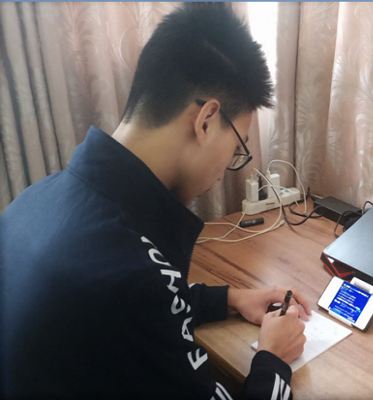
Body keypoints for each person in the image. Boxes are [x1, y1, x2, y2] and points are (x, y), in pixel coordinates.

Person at [0, 4, 309, 399]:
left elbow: (130, 313)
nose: (226, 170)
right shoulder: (132, 275)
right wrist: (273, 358)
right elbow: (136, 300)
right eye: (237, 148)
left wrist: (230, 299)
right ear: (206, 120)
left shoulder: (35, 201)